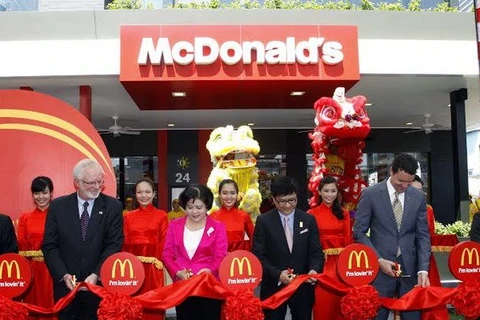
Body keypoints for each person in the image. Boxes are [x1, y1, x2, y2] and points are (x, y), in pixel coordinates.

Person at [42, 159, 124, 320]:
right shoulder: (58, 207)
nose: (96, 186)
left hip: (98, 287)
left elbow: (114, 244)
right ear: (77, 182)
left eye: (99, 182)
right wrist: (63, 275)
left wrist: (96, 274)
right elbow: (50, 246)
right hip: (65, 289)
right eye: (90, 183)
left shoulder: (113, 207)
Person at [354, 153, 430, 320]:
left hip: (410, 269)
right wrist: (378, 260)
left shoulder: (418, 197)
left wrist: (423, 268)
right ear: (391, 171)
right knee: (377, 315)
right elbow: (359, 232)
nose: (404, 186)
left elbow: (423, 235)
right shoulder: (370, 194)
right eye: (400, 182)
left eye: (409, 183)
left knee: (412, 316)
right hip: (380, 270)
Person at [252, 176, 324, 320]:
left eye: (292, 200)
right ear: (273, 199)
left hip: (302, 287)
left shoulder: (308, 220)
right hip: (274, 287)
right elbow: (258, 255)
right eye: (282, 201)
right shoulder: (264, 221)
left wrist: (314, 270)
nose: (287, 205)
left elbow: (316, 252)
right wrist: (278, 274)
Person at [163, 184, 227, 320]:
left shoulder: (217, 227)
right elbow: (167, 255)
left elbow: (220, 256)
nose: (194, 212)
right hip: (183, 286)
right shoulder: (174, 225)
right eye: (189, 207)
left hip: (209, 286)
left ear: (207, 206)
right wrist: (177, 272)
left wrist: (209, 271)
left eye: (199, 207)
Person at [123, 178, 169, 320]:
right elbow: (125, 242)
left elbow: (164, 242)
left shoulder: (161, 215)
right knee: (133, 306)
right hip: (133, 268)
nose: (144, 195)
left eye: (148, 192)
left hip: (154, 267)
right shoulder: (128, 217)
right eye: (140, 192)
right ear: (135, 195)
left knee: (153, 305)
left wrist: (158, 262)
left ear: (154, 194)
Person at [307, 176, 352, 320]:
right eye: (326, 191)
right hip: (322, 266)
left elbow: (348, 239)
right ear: (319, 192)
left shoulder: (344, 213)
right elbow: (309, 243)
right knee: (322, 305)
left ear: (337, 192)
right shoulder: (311, 214)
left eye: (333, 191)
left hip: (341, 267)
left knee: (341, 307)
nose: (329, 194)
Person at [411, 175, 449, 320]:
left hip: (425, 258)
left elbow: (430, 234)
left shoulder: (428, 210)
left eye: (421, 191)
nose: (419, 195)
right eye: (414, 191)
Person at [17, 176, 55, 316]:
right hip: (32, 270)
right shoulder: (25, 217)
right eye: (37, 193)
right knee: (33, 306)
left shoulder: (59, 216)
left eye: (44, 192)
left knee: (54, 305)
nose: (41, 197)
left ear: (51, 193)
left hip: (54, 270)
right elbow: (21, 245)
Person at [210, 179, 254, 251]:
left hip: (239, 259)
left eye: (232, 193)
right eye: (225, 193)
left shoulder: (244, 216)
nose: (229, 197)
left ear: (237, 194)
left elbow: (254, 239)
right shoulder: (212, 217)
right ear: (219, 194)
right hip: (220, 259)